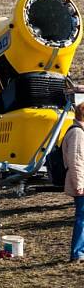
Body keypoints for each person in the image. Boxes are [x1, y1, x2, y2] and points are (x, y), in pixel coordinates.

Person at [62, 101, 84, 263]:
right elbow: (75, 160)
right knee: (82, 218)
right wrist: (79, 184)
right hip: (82, 183)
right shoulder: (78, 133)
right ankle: (77, 252)